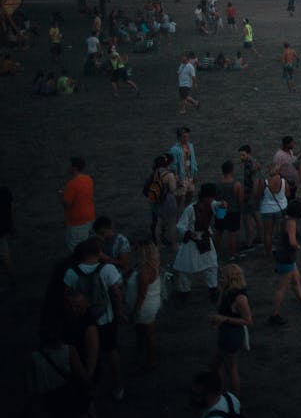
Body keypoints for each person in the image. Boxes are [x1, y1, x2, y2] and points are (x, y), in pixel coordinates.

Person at [64, 235, 126, 400]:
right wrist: (119, 312)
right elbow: (116, 293)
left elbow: (66, 296)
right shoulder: (107, 269)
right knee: (111, 350)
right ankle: (118, 385)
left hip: (83, 320)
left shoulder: (72, 272)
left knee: (85, 352)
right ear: (98, 253)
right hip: (105, 317)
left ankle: (88, 382)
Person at [268, 200, 301, 324]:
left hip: (283, 255)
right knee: (283, 287)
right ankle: (274, 314)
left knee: (296, 279)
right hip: (287, 256)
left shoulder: (285, 219)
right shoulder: (292, 223)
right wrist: (298, 246)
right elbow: (292, 242)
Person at [210, 263, 253, 393]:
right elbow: (220, 308)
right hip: (225, 333)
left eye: (222, 277)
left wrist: (225, 319)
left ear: (231, 279)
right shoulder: (227, 291)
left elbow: (248, 321)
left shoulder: (240, 298)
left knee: (230, 368)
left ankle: (235, 399)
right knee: (218, 366)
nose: (220, 279)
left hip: (232, 335)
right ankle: (219, 392)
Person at [175, 183, 220, 300]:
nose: (212, 199)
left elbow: (221, 216)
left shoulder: (213, 205)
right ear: (205, 197)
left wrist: (223, 206)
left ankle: (213, 288)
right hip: (192, 241)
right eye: (211, 197)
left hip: (205, 239)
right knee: (185, 268)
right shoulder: (190, 209)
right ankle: (185, 291)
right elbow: (180, 226)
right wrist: (188, 233)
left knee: (212, 266)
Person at [130, 240, 163, 371]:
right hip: (152, 301)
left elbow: (141, 295)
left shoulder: (144, 271)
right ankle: (147, 357)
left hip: (145, 306)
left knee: (147, 334)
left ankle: (150, 359)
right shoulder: (153, 265)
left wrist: (135, 310)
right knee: (147, 333)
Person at [60, 156, 95, 253]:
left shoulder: (71, 184)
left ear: (74, 168)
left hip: (77, 223)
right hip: (89, 219)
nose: (68, 168)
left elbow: (67, 205)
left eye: (69, 165)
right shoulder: (89, 179)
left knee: (76, 250)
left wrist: (61, 196)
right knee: (88, 247)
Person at [212, 160, 243, 262]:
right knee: (232, 234)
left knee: (219, 232)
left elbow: (215, 198)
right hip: (233, 211)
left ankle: (215, 252)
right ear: (231, 171)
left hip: (221, 210)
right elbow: (239, 200)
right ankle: (232, 254)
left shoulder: (218, 183)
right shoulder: (236, 184)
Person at [257, 162, 289, 256]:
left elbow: (259, 195)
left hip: (267, 209)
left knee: (267, 233)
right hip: (281, 208)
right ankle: (280, 249)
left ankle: (268, 252)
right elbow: (287, 193)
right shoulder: (283, 181)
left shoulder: (265, 182)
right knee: (280, 232)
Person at [169, 126, 200, 210]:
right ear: (179, 137)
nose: (186, 138)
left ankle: (185, 217)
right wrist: (177, 179)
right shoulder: (174, 149)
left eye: (187, 136)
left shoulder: (190, 146)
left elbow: (193, 160)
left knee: (189, 199)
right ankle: (178, 220)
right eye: (184, 136)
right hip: (181, 178)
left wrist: (195, 173)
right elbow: (173, 166)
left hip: (190, 177)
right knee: (179, 202)